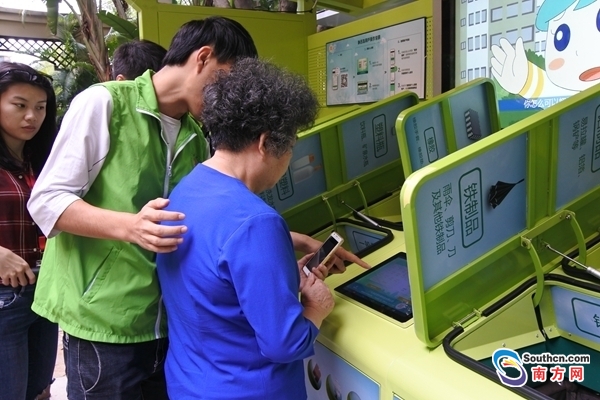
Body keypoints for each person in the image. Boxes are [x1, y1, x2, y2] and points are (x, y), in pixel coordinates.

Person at [28, 16, 365, 399]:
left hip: (165, 326)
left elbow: (214, 221)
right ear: (203, 57)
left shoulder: (193, 133)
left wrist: (282, 243)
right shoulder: (104, 103)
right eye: (229, 79)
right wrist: (130, 226)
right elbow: (45, 201)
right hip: (105, 322)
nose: (231, 94)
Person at [156, 57, 334, 400]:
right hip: (249, 389)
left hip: (188, 383)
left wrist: (279, 277)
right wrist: (317, 308)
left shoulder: (186, 189)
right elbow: (284, 343)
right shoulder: (257, 222)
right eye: (290, 147)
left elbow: (216, 285)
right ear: (265, 143)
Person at [0, 62, 58, 400]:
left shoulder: (42, 163)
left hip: (44, 293)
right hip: (4, 297)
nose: (31, 116)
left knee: (39, 392)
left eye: (40, 107)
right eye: (19, 105)